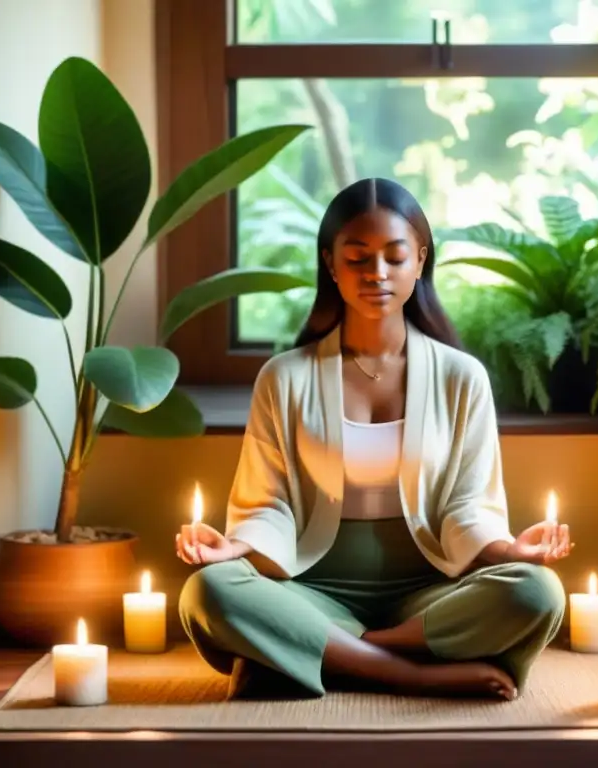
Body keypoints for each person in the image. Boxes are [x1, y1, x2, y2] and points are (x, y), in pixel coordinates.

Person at [176, 177, 573, 702]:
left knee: (537, 592)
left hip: (431, 591)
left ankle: (321, 655)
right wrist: (236, 546)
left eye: (394, 256)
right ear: (330, 264)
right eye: (358, 257)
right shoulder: (285, 376)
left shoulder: (462, 376)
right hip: (310, 587)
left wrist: (508, 548)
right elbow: (267, 502)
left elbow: (468, 504)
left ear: (420, 260)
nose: (377, 274)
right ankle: (410, 673)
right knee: (208, 590)